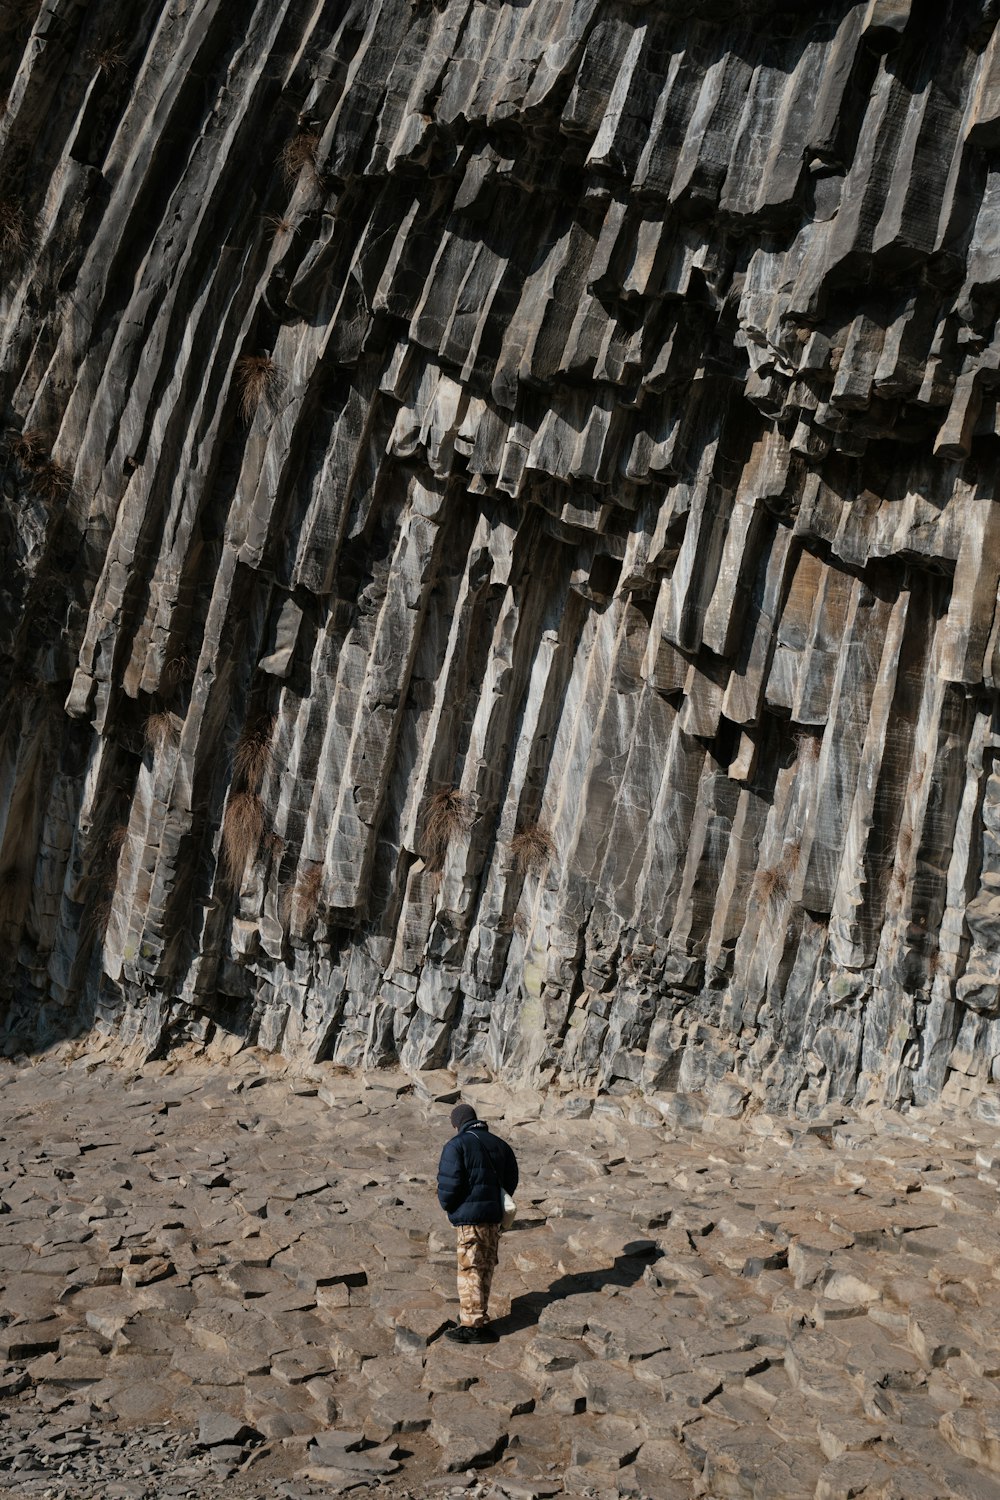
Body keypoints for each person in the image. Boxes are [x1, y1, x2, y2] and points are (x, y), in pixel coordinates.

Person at [436, 1103, 518, 1343]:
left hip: (469, 1218)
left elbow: (449, 1185)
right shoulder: (500, 1145)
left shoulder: (457, 1145)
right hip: (493, 1218)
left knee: (470, 1270)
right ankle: (476, 1316)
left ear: (457, 1123)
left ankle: (472, 1326)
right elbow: (511, 1179)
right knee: (484, 1268)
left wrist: (450, 1206)